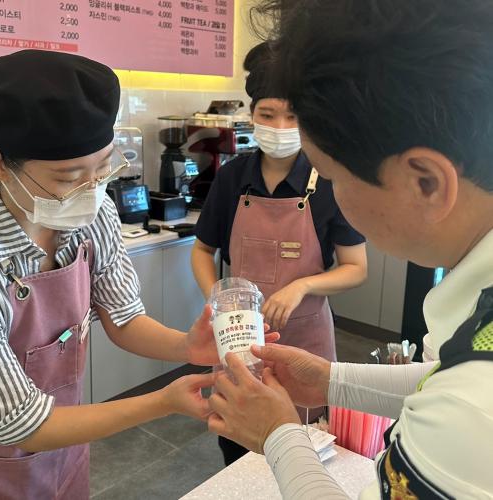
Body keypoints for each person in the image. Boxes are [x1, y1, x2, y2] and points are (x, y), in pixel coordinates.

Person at [207, 0, 493, 497]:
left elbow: (459, 398)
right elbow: (443, 377)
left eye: (333, 176)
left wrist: (278, 436)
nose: (331, 193)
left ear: (426, 183)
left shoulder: (472, 416)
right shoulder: (470, 356)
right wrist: (330, 380)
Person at [0, 49, 278, 500]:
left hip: (65, 443)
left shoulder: (95, 213)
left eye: (103, 168)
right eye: (68, 178)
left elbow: (123, 318)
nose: (91, 191)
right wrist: (161, 402)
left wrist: (186, 346)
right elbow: (20, 423)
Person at [191, 42, 367, 465]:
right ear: (252, 114)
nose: (280, 126)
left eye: (293, 117)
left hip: (307, 341)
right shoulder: (233, 177)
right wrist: (218, 300)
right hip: (239, 337)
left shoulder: (328, 180)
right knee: (237, 443)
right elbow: (201, 250)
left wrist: (301, 286)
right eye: (268, 115)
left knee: (305, 446)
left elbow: (355, 268)